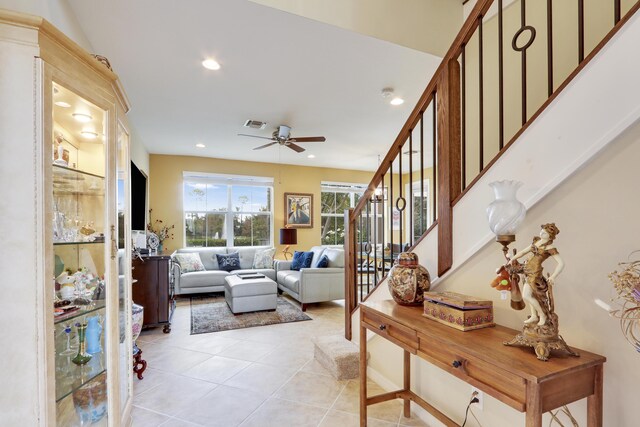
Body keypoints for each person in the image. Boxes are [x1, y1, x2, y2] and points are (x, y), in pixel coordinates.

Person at [509, 223, 564, 327]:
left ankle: (542, 315)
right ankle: (534, 315)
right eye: (542, 230)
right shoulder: (537, 242)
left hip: (534, 273)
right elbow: (523, 252)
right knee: (531, 295)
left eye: (546, 232)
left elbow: (561, 263)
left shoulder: (550, 247)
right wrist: (512, 259)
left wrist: (553, 276)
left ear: (550, 235)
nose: (542, 232)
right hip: (526, 270)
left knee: (526, 295)